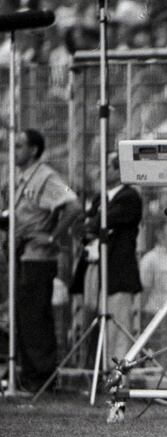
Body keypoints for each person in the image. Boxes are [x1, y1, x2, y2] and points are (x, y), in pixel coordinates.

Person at [11, 129, 81, 392]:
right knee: (25, 317)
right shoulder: (22, 178)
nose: (14, 150)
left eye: (19, 146)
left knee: (35, 318)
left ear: (34, 150)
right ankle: (29, 377)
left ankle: (42, 379)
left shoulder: (47, 177)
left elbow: (73, 205)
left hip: (38, 257)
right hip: (23, 252)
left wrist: (52, 237)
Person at [71, 152, 143, 367]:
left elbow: (99, 223)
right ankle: (97, 368)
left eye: (108, 167)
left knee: (117, 324)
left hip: (117, 272)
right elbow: (81, 227)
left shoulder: (130, 197)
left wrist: (94, 225)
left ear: (120, 171)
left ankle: (117, 373)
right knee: (92, 320)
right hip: (94, 268)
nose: (102, 172)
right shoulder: (100, 198)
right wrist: (93, 226)